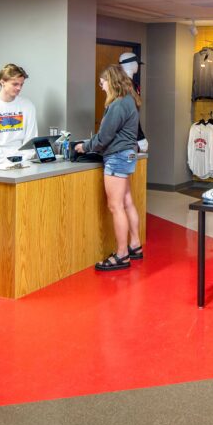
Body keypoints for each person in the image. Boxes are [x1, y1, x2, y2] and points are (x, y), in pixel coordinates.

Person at [76, 64, 142, 271]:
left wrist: (84, 147)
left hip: (117, 158)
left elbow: (104, 137)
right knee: (127, 202)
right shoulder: (130, 101)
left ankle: (122, 254)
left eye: (102, 82)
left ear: (112, 82)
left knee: (116, 207)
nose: (101, 86)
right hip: (128, 154)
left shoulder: (118, 105)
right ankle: (135, 244)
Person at [0, 63, 37, 165]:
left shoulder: (28, 105)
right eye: (15, 84)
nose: (19, 88)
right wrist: (4, 163)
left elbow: (31, 139)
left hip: (21, 161)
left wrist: (22, 160)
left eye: (21, 84)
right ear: (2, 82)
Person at [117, 51, 149, 153]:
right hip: (127, 137)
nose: (137, 66)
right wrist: (140, 137)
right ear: (131, 64)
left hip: (125, 135)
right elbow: (132, 113)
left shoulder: (123, 84)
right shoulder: (126, 86)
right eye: (136, 63)